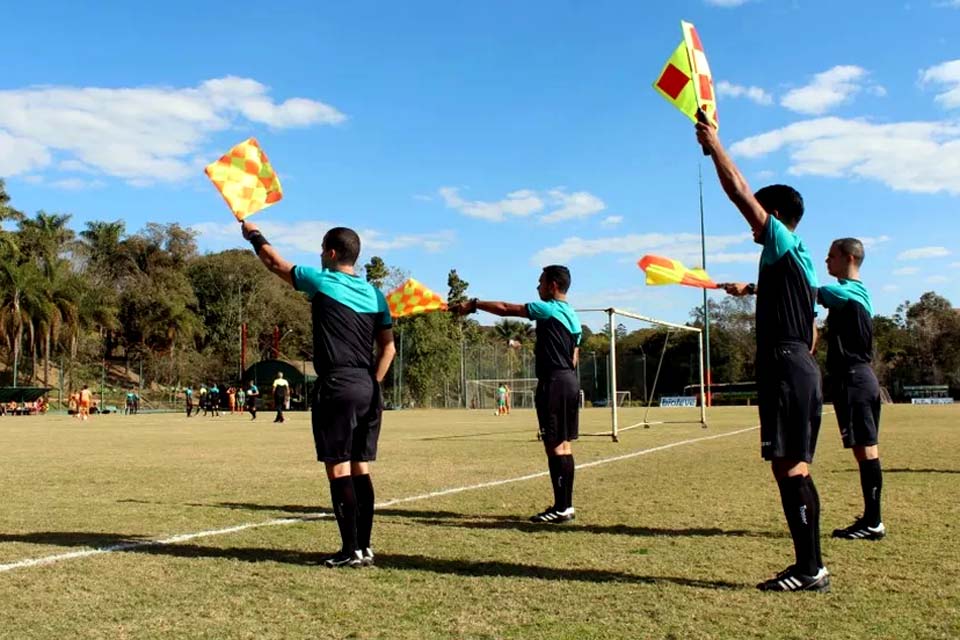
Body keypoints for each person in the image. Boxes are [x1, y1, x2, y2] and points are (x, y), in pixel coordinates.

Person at [697, 119, 828, 592]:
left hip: (786, 364)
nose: (755, 225)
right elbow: (810, 327)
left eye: (762, 217)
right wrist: (751, 288)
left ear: (773, 215)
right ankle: (810, 566)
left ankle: (810, 570)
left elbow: (739, 193)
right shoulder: (800, 259)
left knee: (790, 466)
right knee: (792, 465)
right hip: (800, 362)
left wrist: (715, 147)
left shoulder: (782, 240)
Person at [242, 221, 396, 568]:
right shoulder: (376, 295)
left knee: (339, 468)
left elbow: (275, 264)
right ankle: (365, 547)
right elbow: (389, 349)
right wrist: (374, 383)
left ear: (330, 253)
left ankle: (349, 550)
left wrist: (254, 235)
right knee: (361, 467)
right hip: (368, 387)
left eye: (320, 249)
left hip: (338, 384)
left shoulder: (323, 280)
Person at [450, 265, 581, 524]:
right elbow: (574, 357)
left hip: (554, 382)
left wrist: (474, 304)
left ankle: (561, 507)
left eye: (541, 282)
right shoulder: (572, 316)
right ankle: (566, 506)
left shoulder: (549, 308)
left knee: (554, 446)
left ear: (553, 285)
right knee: (564, 445)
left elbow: (508, 308)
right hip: (569, 381)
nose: (537, 287)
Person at [819, 238, 886, 541]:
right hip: (859, 379)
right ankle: (872, 519)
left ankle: (873, 522)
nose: (826, 260)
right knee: (864, 450)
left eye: (831, 256)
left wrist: (754, 289)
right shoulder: (856, 292)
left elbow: (807, 292)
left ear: (848, 257)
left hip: (854, 380)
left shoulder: (848, 292)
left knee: (866, 450)